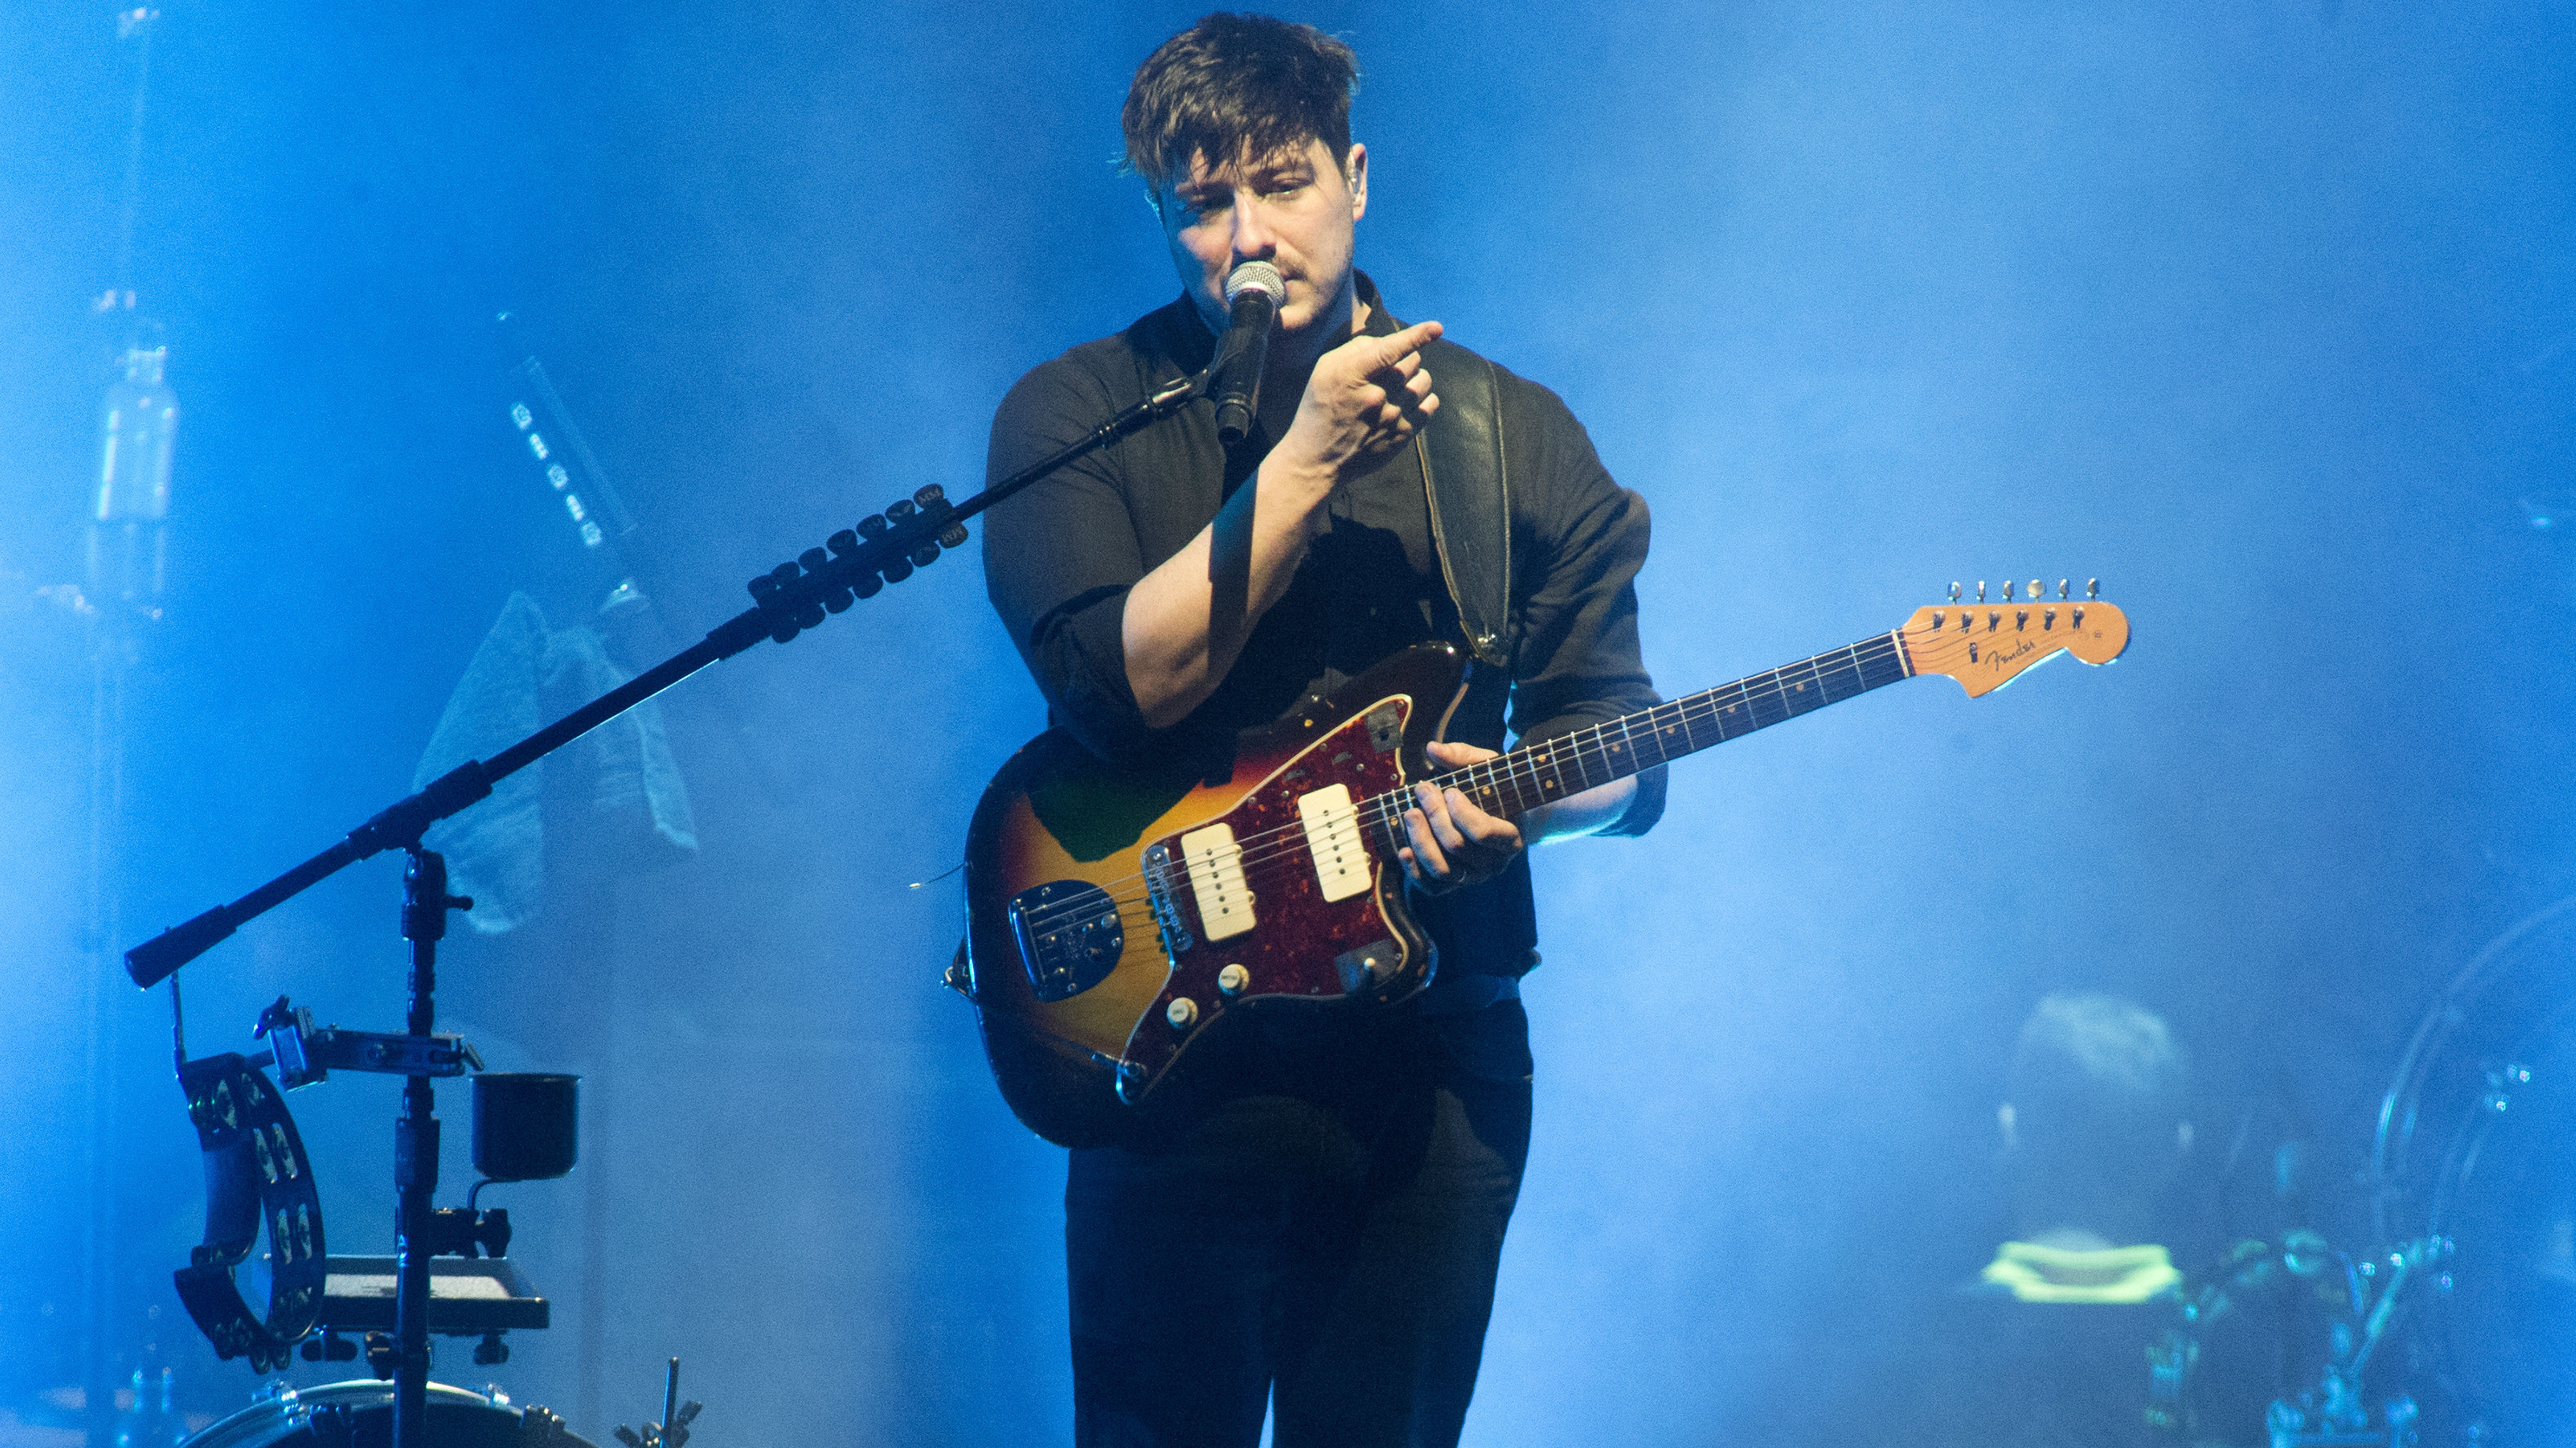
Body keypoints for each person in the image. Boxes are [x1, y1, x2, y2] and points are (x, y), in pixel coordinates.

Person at [979, 14, 1664, 1447]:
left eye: (1279, 185)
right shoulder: (1082, 414)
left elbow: (1621, 751)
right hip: (1177, 1065)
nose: (1246, 238)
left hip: (1429, 1071)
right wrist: (1300, 461)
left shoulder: (1512, 437)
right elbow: (1114, 690)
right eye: (1201, 205)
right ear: (1163, 221)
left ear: (1354, 177)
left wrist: (1524, 807)